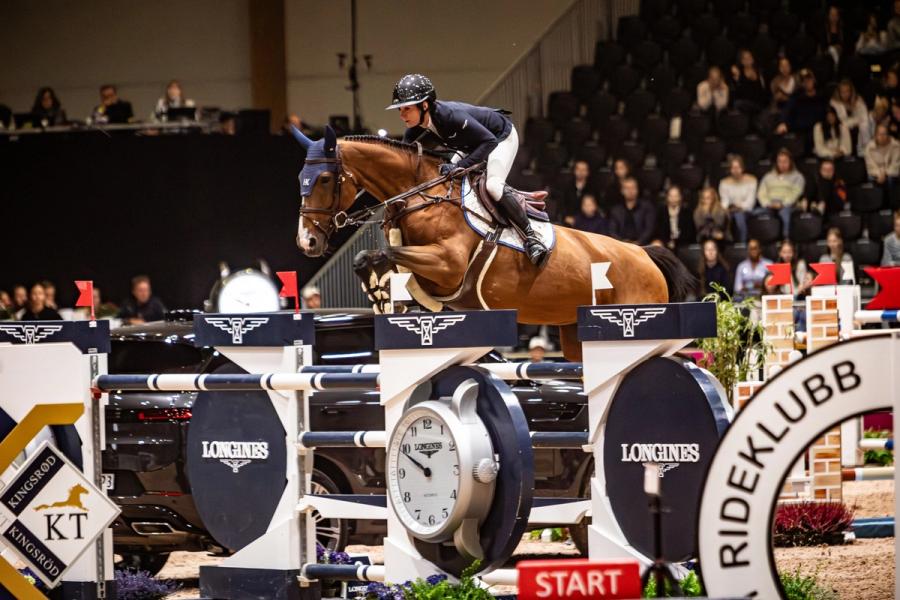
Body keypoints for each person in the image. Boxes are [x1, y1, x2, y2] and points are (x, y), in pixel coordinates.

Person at [387, 74, 546, 265]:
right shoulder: (415, 127)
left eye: (407, 108)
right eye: (400, 109)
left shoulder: (450, 116)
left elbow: (489, 142)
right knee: (441, 179)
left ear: (425, 105)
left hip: (500, 137)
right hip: (471, 144)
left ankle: (531, 238)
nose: (402, 115)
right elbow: (404, 156)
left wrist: (459, 166)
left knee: (493, 185)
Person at [757, 148, 805, 238]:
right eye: (780, 161)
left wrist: (783, 204)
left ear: (790, 162)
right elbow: (761, 193)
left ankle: (786, 239)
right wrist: (767, 203)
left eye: (785, 161)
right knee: (753, 213)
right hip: (770, 204)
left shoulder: (798, 177)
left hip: (788, 205)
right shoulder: (768, 176)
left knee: (785, 214)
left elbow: (795, 193)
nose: (782, 164)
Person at [777, 69, 827, 148]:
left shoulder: (821, 96)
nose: (807, 83)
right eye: (805, 81)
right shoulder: (797, 96)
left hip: (817, 131)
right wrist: (782, 122)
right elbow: (787, 109)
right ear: (802, 83)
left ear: (814, 80)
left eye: (809, 80)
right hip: (800, 132)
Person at [719, 154, 758, 243]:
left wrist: (739, 207)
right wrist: (726, 208)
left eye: (738, 167)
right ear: (730, 169)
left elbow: (750, 202)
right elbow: (725, 201)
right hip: (731, 210)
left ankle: (742, 242)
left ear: (742, 168)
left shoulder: (752, 180)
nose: (736, 170)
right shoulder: (724, 182)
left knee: (739, 215)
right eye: (733, 168)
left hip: (747, 210)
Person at [608, 177, 655, 245]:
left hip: (642, 244)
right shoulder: (616, 210)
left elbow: (649, 229)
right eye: (627, 188)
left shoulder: (646, 207)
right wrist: (622, 243)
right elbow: (612, 231)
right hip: (621, 244)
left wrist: (639, 242)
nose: (630, 191)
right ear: (622, 191)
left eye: (633, 188)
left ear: (637, 190)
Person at [864, 124, 900, 205]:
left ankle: (892, 205)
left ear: (888, 135)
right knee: (871, 178)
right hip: (876, 173)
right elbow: (870, 166)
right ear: (875, 136)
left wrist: (885, 173)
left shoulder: (896, 146)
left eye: (884, 134)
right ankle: (875, 204)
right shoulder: (869, 148)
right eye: (880, 134)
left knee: (891, 179)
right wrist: (879, 173)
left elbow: (895, 165)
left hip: (890, 173)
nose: (882, 137)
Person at [655, 185, 695, 250]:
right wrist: (668, 242)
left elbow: (689, 233)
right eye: (671, 196)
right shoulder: (661, 212)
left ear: (680, 197)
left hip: (682, 244)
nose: (673, 199)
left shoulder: (687, 212)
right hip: (665, 243)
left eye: (676, 196)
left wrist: (676, 242)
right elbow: (658, 231)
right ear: (667, 197)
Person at [731, 49, 768, 116]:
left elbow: (763, 90)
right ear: (741, 61)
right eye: (745, 58)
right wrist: (737, 79)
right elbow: (738, 92)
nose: (748, 60)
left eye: (749, 57)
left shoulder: (759, 72)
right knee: (738, 104)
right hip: (744, 104)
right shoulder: (739, 73)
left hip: (757, 103)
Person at [561, 160, 596, 225]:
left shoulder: (593, 188)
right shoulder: (567, 186)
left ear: (588, 172)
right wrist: (565, 217)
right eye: (578, 169)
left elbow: (595, 206)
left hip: (587, 221)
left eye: (583, 170)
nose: (580, 172)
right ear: (574, 171)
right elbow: (562, 204)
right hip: (569, 220)